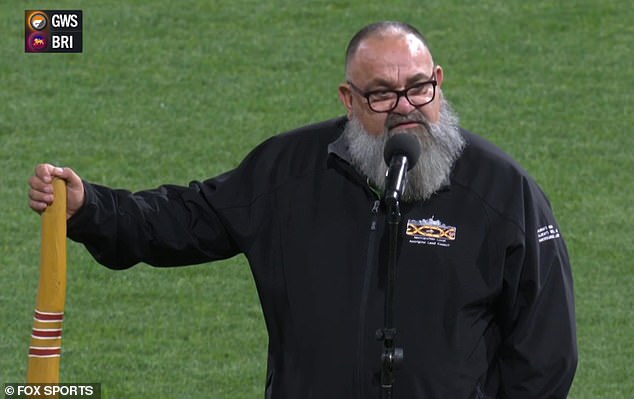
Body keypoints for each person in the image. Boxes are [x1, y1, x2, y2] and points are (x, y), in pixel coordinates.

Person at [28, 21, 577, 398]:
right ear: (348, 99)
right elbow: (187, 219)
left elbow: (546, 350)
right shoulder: (290, 172)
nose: (405, 109)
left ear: (439, 82)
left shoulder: (501, 190)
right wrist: (89, 207)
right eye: (382, 95)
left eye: (418, 89)